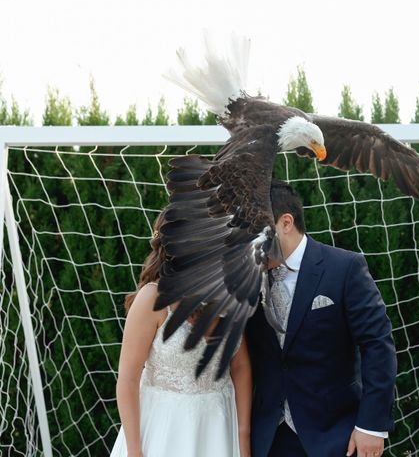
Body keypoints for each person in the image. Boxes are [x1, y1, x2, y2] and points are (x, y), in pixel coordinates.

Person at [246, 180, 397, 457]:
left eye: (253, 232)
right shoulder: (246, 277)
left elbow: (377, 344)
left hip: (336, 435)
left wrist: (372, 425)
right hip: (268, 437)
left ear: (286, 223)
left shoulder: (344, 268)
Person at [110, 210, 252, 457]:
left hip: (219, 427)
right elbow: (127, 379)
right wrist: (134, 450)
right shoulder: (152, 299)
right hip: (165, 431)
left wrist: (242, 436)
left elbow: (241, 366)